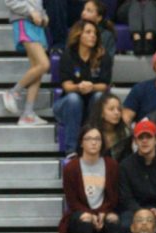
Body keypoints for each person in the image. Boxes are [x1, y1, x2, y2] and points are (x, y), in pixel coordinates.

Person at [59, 126, 120, 233]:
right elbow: (72, 201)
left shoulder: (111, 165)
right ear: (81, 143)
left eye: (97, 139)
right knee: (84, 219)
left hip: (104, 213)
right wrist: (90, 214)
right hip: (79, 214)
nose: (94, 143)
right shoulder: (71, 168)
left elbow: (114, 197)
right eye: (89, 139)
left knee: (114, 219)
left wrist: (103, 213)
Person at [53, 20, 112, 157]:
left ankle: (95, 146)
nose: (93, 36)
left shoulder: (102, 56)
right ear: (78, 34)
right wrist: (79, 87)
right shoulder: (68, 55)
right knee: (74, 98)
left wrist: (91, 87)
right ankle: (71, 150)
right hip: (67, 106)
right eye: (88, 32)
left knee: (98, 96)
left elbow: (104, 85)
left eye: (95, 33)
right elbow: (67, 86)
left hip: (91, 106)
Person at [2, 0, 51, 126]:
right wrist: (31, 11)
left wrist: (43, 16)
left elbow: (37, 5)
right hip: (24, 22)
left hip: (35, 24)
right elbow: (10, 1)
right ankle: (12, 92)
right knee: (44, 64)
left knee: (37, 69)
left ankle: (28, 113)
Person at [88, 91, 132, 163]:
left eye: (119, 109)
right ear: (101, 112)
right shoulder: (90, 133)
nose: (116, 113)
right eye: (111, 109)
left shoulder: (126, 133)